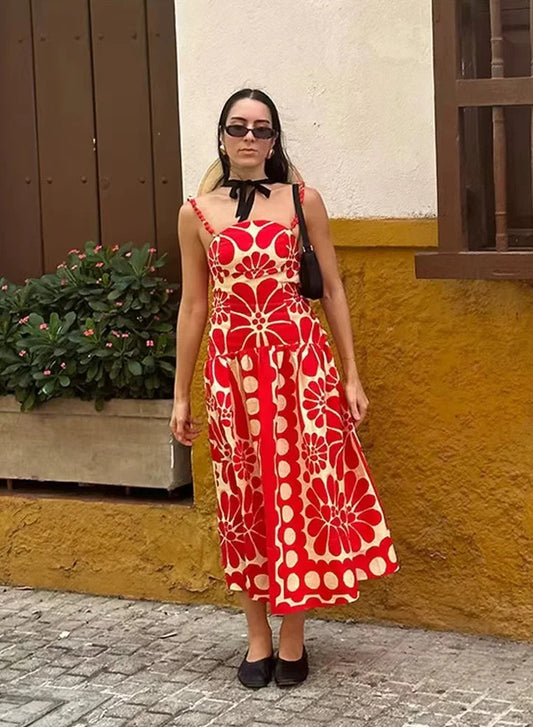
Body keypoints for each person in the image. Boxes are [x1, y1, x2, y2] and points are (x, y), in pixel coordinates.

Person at [170, 88, 399, 689]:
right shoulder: (195, 213)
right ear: (221, 135)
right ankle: (256, 638)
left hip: (301, 370)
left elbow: (334, 289)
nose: (250, 138)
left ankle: (293, 639)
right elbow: (194, 307)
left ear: (275, 141)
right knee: (243, 498)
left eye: (262, 129)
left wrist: (351, 373)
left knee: (296, 495)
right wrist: (181, 394)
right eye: (238, 127)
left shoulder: (304, 201)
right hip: (233, 374)